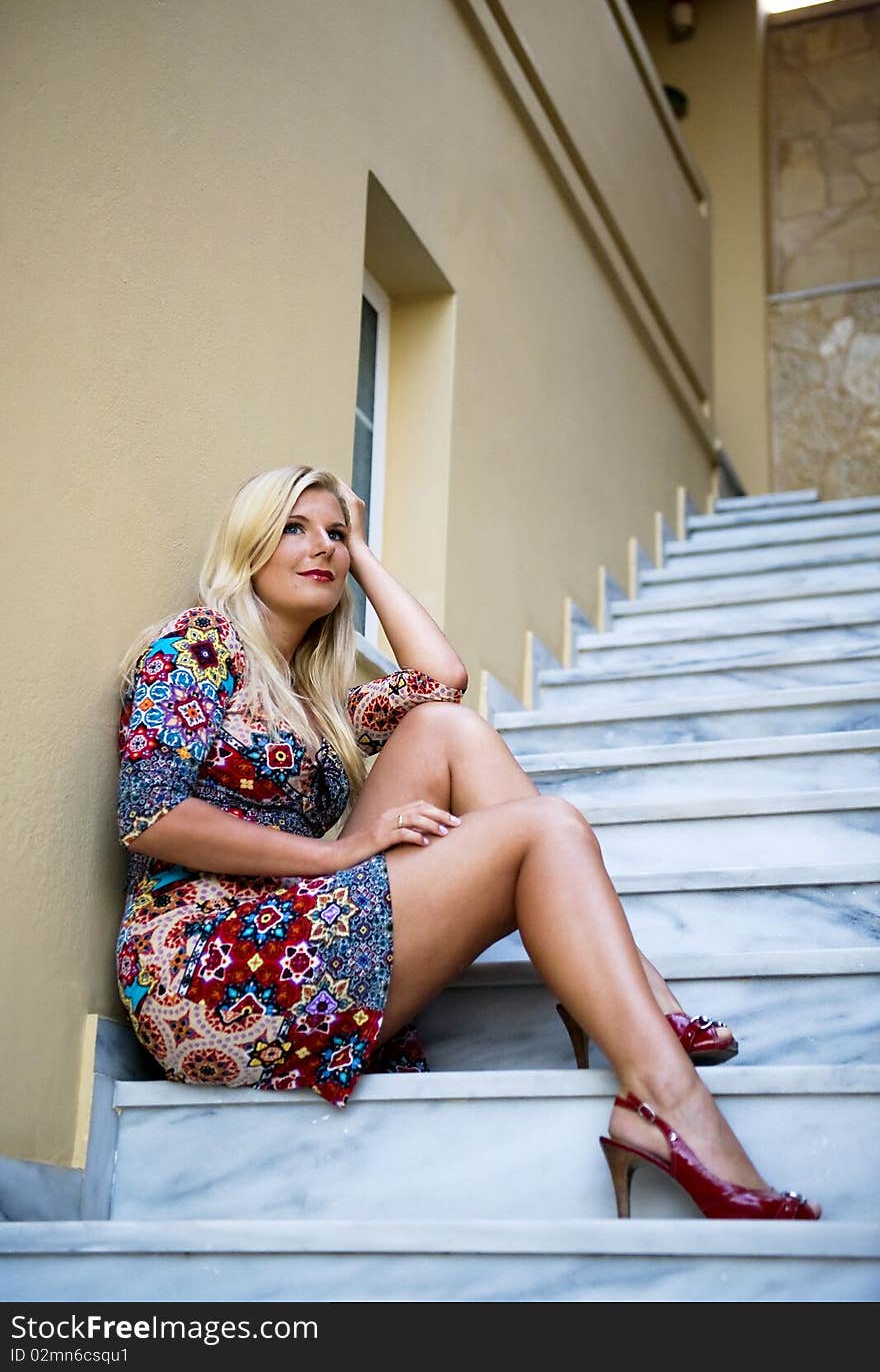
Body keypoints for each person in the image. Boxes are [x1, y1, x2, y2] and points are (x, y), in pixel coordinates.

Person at [115, 463, 820, 1221]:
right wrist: (331, 854)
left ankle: (626, 1006)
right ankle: (660, 1074)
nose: (321, 547)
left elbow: (440, 680)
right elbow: (152, 817)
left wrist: (366, 552)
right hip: (204, 967)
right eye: (294, 529)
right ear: (249, 545)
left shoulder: (314, 701)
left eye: (334, 534)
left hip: (286, 925)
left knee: (444, 728)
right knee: (547, 825)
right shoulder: (195, 646)